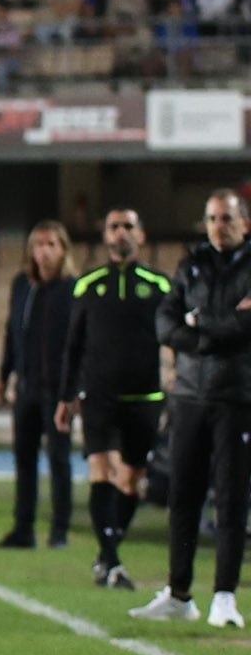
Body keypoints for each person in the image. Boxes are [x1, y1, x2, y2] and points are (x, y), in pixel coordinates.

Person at [132, 191, 251, 627]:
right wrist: (211, 331)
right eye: (212, 218)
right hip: (188, 396)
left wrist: (200, 324)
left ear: (245, 223)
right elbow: (165, 322)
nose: (220, 225)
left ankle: (225, 596)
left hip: (236, 398)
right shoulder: (191, 265)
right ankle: (179, 593)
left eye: (227, 218)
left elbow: (247, 326)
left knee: (232, 499)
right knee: (184, 497)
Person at [56, 208, 170, 590]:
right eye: (114, 227)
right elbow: (73, 347)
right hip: (99, 395)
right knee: (101, 470)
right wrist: (66, 396)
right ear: (105, 237)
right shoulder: (87, 285)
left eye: (128, 226)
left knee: (133, 480)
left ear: (142, 235)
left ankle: (106, 554)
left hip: (146, 395)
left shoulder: (160, 286)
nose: (121, 233)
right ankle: (115, 564)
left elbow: (177, 341)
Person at [0, 221, 75, 549]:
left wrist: (74, 391)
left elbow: (78, 343)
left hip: (58, 391)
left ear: (63, 250)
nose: (43, 252)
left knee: (59, 459)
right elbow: (12, 333)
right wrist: (4, 375)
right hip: (26, 387)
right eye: (38, 245)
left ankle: (59, 531)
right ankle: (23, 529)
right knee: (24, 460)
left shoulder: (73, 289)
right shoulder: (22, 286)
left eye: (51, 245)